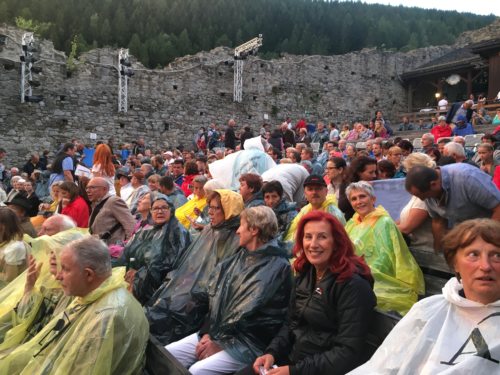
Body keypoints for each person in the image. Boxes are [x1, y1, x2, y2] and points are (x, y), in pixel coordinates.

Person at [349, 219, 500, 374]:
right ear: (455, 263)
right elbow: (382, 367)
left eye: (497, 255)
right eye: (473, 254)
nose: (485, 266)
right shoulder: (427, 311)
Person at [237, 211, 376, 375]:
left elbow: (347, 352)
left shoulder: (353, 285)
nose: (313, 244)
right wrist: (272, 353)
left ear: (337, 242)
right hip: (295, 360)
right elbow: (290, 324)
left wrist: (293, 371)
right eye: (308, 237)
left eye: (322, 237)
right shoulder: (305, 275)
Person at [166, 206, 292, 374]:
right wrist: (208, 333)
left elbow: (252, 316)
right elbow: (217, 301)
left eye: (241, 225)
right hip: (218, 333)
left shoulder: (276, 267)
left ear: (254, 230)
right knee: (169, 355)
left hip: (248, 343)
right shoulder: (241, 256)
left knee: (197, 371)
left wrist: (220, 343)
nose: (238, 231)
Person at [0, 236, 149, 374]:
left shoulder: (107, 316)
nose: (58, 275)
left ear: (89, 274)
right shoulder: (96, 297)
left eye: (65, 269)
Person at [145, 190, 244, 345]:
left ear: (229, 210)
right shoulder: (210, 230)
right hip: (190, 287)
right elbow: (190, 264)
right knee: (158, 307)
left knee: (171, 316)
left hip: (205, 298)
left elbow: (223, 281)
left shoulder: (237, 238)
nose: (209, 212)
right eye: (209, 207)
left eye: (216, 208)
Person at [345, 182, 424, 315]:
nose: (359, 202)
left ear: (373, 199)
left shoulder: (384, 222)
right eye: (354, 199)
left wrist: (363, 274)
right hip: (355, 274)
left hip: (377, 278)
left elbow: (385, 259)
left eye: (362, 196)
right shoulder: (353, 223)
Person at [405, 164, 500, 251]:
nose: (422, 200)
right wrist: (438, 253)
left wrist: (484, 239)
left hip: (492, 231)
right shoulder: (426, 190)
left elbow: (498, 208)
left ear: (433, 184)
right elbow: (438, 221)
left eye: (423, 196)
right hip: (467, 234)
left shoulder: (467, 178)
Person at [118, 195, 191, 304]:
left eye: (164, 208)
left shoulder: (178, 233)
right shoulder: (146, 230)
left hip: (163, 288)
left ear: (171, 210)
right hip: (137, 279)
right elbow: (128, 252)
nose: (160, 211)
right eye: (156, 208)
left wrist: (139, 274)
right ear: (151, 212)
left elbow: (169, 267)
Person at [285, 175, 345, 241]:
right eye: (310, 189)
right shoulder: (304, 211)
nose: (314, 192)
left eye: (318, 188)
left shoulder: (334, 213)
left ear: (326, 191)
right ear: (305, 193)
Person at [397, 153, 435, 251]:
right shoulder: (418, 194)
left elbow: (406, 228)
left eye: (407, 171)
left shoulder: (424, 197)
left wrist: (382, 226)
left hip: (424, 251)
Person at [86, 177, 135, 245]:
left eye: (92, 187)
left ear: (104, 189)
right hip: (100, 248)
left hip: (113, 251)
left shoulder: (114, 201)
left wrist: (128, 247)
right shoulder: (96, 203)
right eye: (87, 188)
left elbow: (130, 225)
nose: (88, 190)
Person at [338, 156, 378, 221]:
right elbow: (342, 207)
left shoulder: (377, 184)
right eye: (370, 172)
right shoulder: (346, 184)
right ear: (359, 173)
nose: (374, 175)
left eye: (375, 172)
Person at [0, 207, 30, 289]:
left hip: (10, 292)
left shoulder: (14, 248)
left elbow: (9, 279)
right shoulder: (4, 241)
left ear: (4, 226)